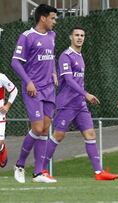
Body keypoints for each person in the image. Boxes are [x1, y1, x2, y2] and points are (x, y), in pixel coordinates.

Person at [41, 27, 118, 182]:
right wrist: (86, 94)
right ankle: (41, 170)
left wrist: (83, 97)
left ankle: (99, 172)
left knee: (90, 134)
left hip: (80, 105)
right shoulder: (66, 56)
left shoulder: (80, 56)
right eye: (76, 35)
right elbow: (69, 81)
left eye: (82, 35)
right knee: (58, 135)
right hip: (66, 103)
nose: (79, 38)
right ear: (71, 37)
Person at [11, 4, 58, 183]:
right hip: (33, 90)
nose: (54, 22)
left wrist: (54, 72)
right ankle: (20, 164)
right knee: (38, 128)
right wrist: (28, 82)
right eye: (52, 18)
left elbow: (51, 56)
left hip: (49, 89)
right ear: (43, 18)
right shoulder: (27, 37)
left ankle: (38, 172)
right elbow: (15, 62)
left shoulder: (52, 36)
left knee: (45, 129)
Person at [0, 74, 18, 168]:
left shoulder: (1, 77)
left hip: (0, 115)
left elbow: (14, 91)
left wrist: (7, 106)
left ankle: (1, 148)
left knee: (0, 142)